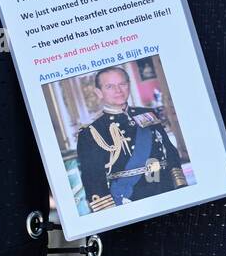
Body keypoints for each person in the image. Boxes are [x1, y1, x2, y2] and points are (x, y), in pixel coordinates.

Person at [76, 66, 187, 213]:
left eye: (122, 84)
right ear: (98, 92)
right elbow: (93, 178)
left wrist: (179, 183)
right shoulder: (91, 132)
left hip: (166, 187)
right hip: (132, 198)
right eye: (110, 86)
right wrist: (110, 213)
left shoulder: (148, 114)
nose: (118, 90)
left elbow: (169, 150)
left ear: (128, 85)